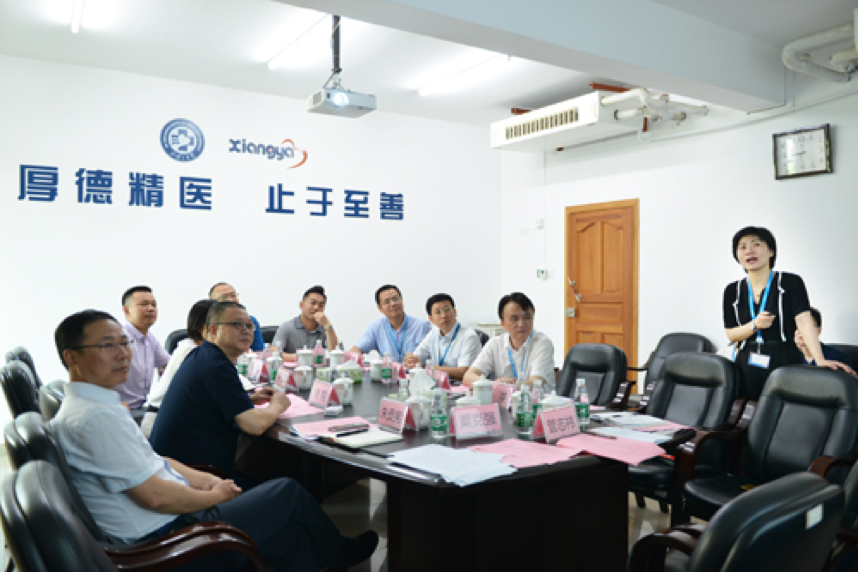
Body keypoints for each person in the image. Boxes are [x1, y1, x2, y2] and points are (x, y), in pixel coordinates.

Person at [51, 309, 378, 572]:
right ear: (72, 358)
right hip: (166, 539)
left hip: (168, 520)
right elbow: (155, 497)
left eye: (125, 343)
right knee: (288, 492)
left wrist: (202, 480)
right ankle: (340, 553)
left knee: (290, 540)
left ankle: (333, 557)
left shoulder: (95, 406)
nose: (123, 353)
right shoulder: (94, 418)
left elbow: (154, 461)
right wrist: (211, 496)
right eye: (108, 345)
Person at [150, 302, 290, 482]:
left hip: (176, 470)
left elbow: (210, 402)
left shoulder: (204, 355)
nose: (247, 331)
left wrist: (245, 400)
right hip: (193, 478)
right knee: (290, 487)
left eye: (249, 326)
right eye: (238, 325)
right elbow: (255, 425)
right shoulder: (216, 367)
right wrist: (278, 405)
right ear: (214, 330)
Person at [723, 226, 854, 400]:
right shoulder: (732, 290)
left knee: (784, 409)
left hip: (784, 358)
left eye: (756, 244)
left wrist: (819, 358)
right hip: (746, 361)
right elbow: (731, 334)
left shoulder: (791, 282)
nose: (749, 251)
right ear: (737, 256)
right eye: (742, 247)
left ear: (771, 251)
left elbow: (804, 321)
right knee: (747, 409)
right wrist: (754, 325)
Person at [141, 299, 214, 438]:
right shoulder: (193, 352)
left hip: (174, 420)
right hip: (161, 424)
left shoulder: (196, 348)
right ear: (203, 327)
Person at [463, 292, 555, 390]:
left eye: (527, 317)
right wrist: (495, 384)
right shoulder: (495, 344)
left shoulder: (543, 343)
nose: (521, 324)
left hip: (537, 399)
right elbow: (468, 377)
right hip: (505, 399)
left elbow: (535, 383)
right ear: (503, 324)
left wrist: (504, 387)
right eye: (514, 319)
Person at [118, 286, 170, 419]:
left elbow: (168, 365)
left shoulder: (149, 338)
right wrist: (111, 403)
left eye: (154, 305)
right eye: (144, 304)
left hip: (140, 408)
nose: (150, 308)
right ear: (126, 310)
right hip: (119, 409)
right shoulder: (119, 337)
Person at [402, 293, 481, 381]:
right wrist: (412, 360)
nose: (444, 315)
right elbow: (417, 357)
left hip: (461, 386)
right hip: (438, 384)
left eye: (447, 310)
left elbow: (464, 372)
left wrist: (429, 369)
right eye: (438, 312)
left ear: (455, 312)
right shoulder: (434, 333)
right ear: (431, 319)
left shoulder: (469, 336)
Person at [350, 284, 431, 363]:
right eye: (387, 302)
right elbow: (356, 349)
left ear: (402, 300)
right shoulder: (376, 327)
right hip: (388, 371)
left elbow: (433, 357)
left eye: (395, 299)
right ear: (380, 308)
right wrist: (356, 357)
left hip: (416, 371)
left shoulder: (422, 326)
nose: (393, 304)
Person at [273, 285, 339, 361]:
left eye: (321, 305)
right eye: (313, 303)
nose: (316, 307)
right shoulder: (286, 327)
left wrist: (328, 326)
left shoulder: (325, 329)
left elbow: (335, 353)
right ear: (301, 305)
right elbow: (274, 352)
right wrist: (300, 358)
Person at [209, 282, 264, 351]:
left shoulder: (250, 321)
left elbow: (259, 351)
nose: (231, 300)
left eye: (233, 295)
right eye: (224, 297)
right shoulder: (207, 322)